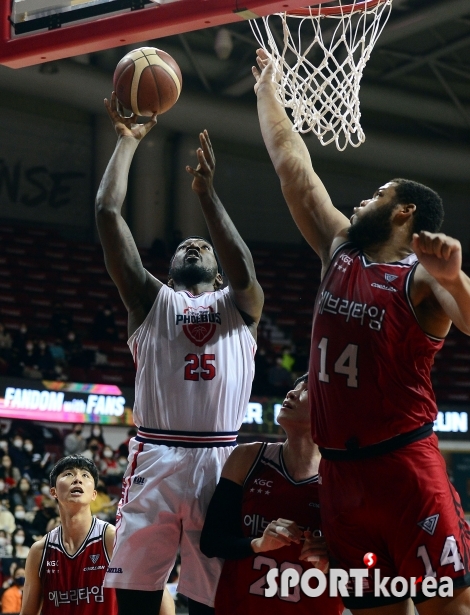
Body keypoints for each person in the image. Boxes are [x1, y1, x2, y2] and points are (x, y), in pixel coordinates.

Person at [253, 50, 470, 615]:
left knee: (448, 606)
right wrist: (266, 96)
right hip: (342, 477)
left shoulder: (422, 278)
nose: (362, 200)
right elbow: (293, 167)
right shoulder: (340, 248)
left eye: (377, 194)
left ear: (404, 213)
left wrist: (455, 277)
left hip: (405, 470)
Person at [96, 93, 264, 615]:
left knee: (211, 601)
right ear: (169, 269)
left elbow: (243, 267)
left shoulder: (241, 302)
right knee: (137, 598)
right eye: (185, 246)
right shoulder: (151, 300)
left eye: (205, 247)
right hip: (157, 456)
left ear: (216, 271)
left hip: (222, 461)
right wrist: (126, 144)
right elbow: (106, 213)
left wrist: (208, 197)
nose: (195, 247)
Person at [200, 374, 344, 614]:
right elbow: (211, 541)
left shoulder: (343, 479)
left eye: (306, 390)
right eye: (294, 388)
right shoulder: (247, 457)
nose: (292, 393)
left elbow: (370, 564)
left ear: (330, 410)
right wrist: (257, 544)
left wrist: (333, 559)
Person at [19, 455, 118, 615]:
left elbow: (156, 593)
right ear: (54, 492)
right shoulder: (39, 551)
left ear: (94, 494)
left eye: (85, 475)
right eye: (68, 474)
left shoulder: (112, 539)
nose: (77, 479)